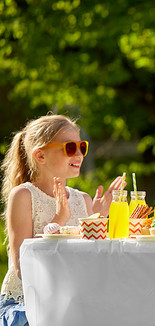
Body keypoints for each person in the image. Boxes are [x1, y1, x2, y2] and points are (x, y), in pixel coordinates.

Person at [0, 114, 123, 325]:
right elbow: (23, 266)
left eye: (81, 147)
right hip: (29, 305)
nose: (79, 155)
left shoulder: (82, 199)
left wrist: (98, 217)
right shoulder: (23, 196)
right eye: (69, 148)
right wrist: (58, 221)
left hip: (72, 300)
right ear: (40, 156)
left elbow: (88, 259)